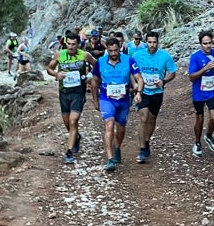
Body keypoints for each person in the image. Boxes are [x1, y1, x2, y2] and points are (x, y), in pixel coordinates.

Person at [89, 36, 142, 172]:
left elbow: (139, 78)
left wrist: (139, 92)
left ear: (120, 48)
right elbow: (94, 82)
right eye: (110, 51)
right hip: (107, 99)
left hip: (123, 99)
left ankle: (117, 147)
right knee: (109, 125)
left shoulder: (129, 60)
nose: (113, 53)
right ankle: (110, 159)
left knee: (121, 128)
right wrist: (95, 100)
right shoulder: (100, 62)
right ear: (107, 49)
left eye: (115, 50)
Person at [129, 30, 177, 164]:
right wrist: (136, 86)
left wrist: (164, 81)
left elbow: (173, 72)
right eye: (149, 42)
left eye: (154, 42)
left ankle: (147, 140)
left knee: (152, 119)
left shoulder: (165, 56)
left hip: (157, 92)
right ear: (146, 42)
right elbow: (132, 72)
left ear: (158, 42)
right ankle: (142, 149)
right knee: (143, 118)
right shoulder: (138, 55)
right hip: (143, 91)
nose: (152, 45)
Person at [47, 31, 92, 164]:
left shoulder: (84, 55)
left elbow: (97, 66)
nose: (71, 47)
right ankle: (76, 137)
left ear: (79, 44)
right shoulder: (59, 55)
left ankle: (69, 151)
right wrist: (56, 75)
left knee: (73, 121)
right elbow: (49, 68)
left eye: (74, 44)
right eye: (69, 44)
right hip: (64, 92)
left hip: (78, 92)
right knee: (67, 122)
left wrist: (90, 77)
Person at [187, 30, 214, 157]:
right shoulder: (195, 57)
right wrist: (205, 68)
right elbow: (191, 77)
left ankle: (209, 136)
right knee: (200, 118)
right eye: (205, 43)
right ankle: (197, 142)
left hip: (212, 92)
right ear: (200, 44)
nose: (208, 46)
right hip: (198, 93)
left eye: (210, 43)